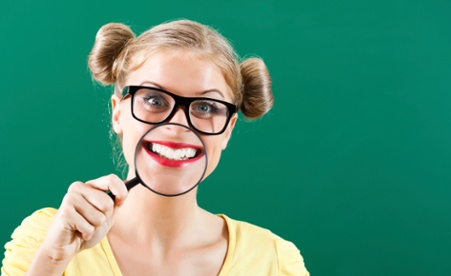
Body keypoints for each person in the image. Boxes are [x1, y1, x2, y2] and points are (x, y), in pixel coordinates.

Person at [2, 19, 309, 275]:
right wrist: (53, 261)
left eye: (205, 107)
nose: (178, 126)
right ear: (118, 113)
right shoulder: (48, 238)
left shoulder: (275, 262)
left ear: (227, 129)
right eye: (154, 100)